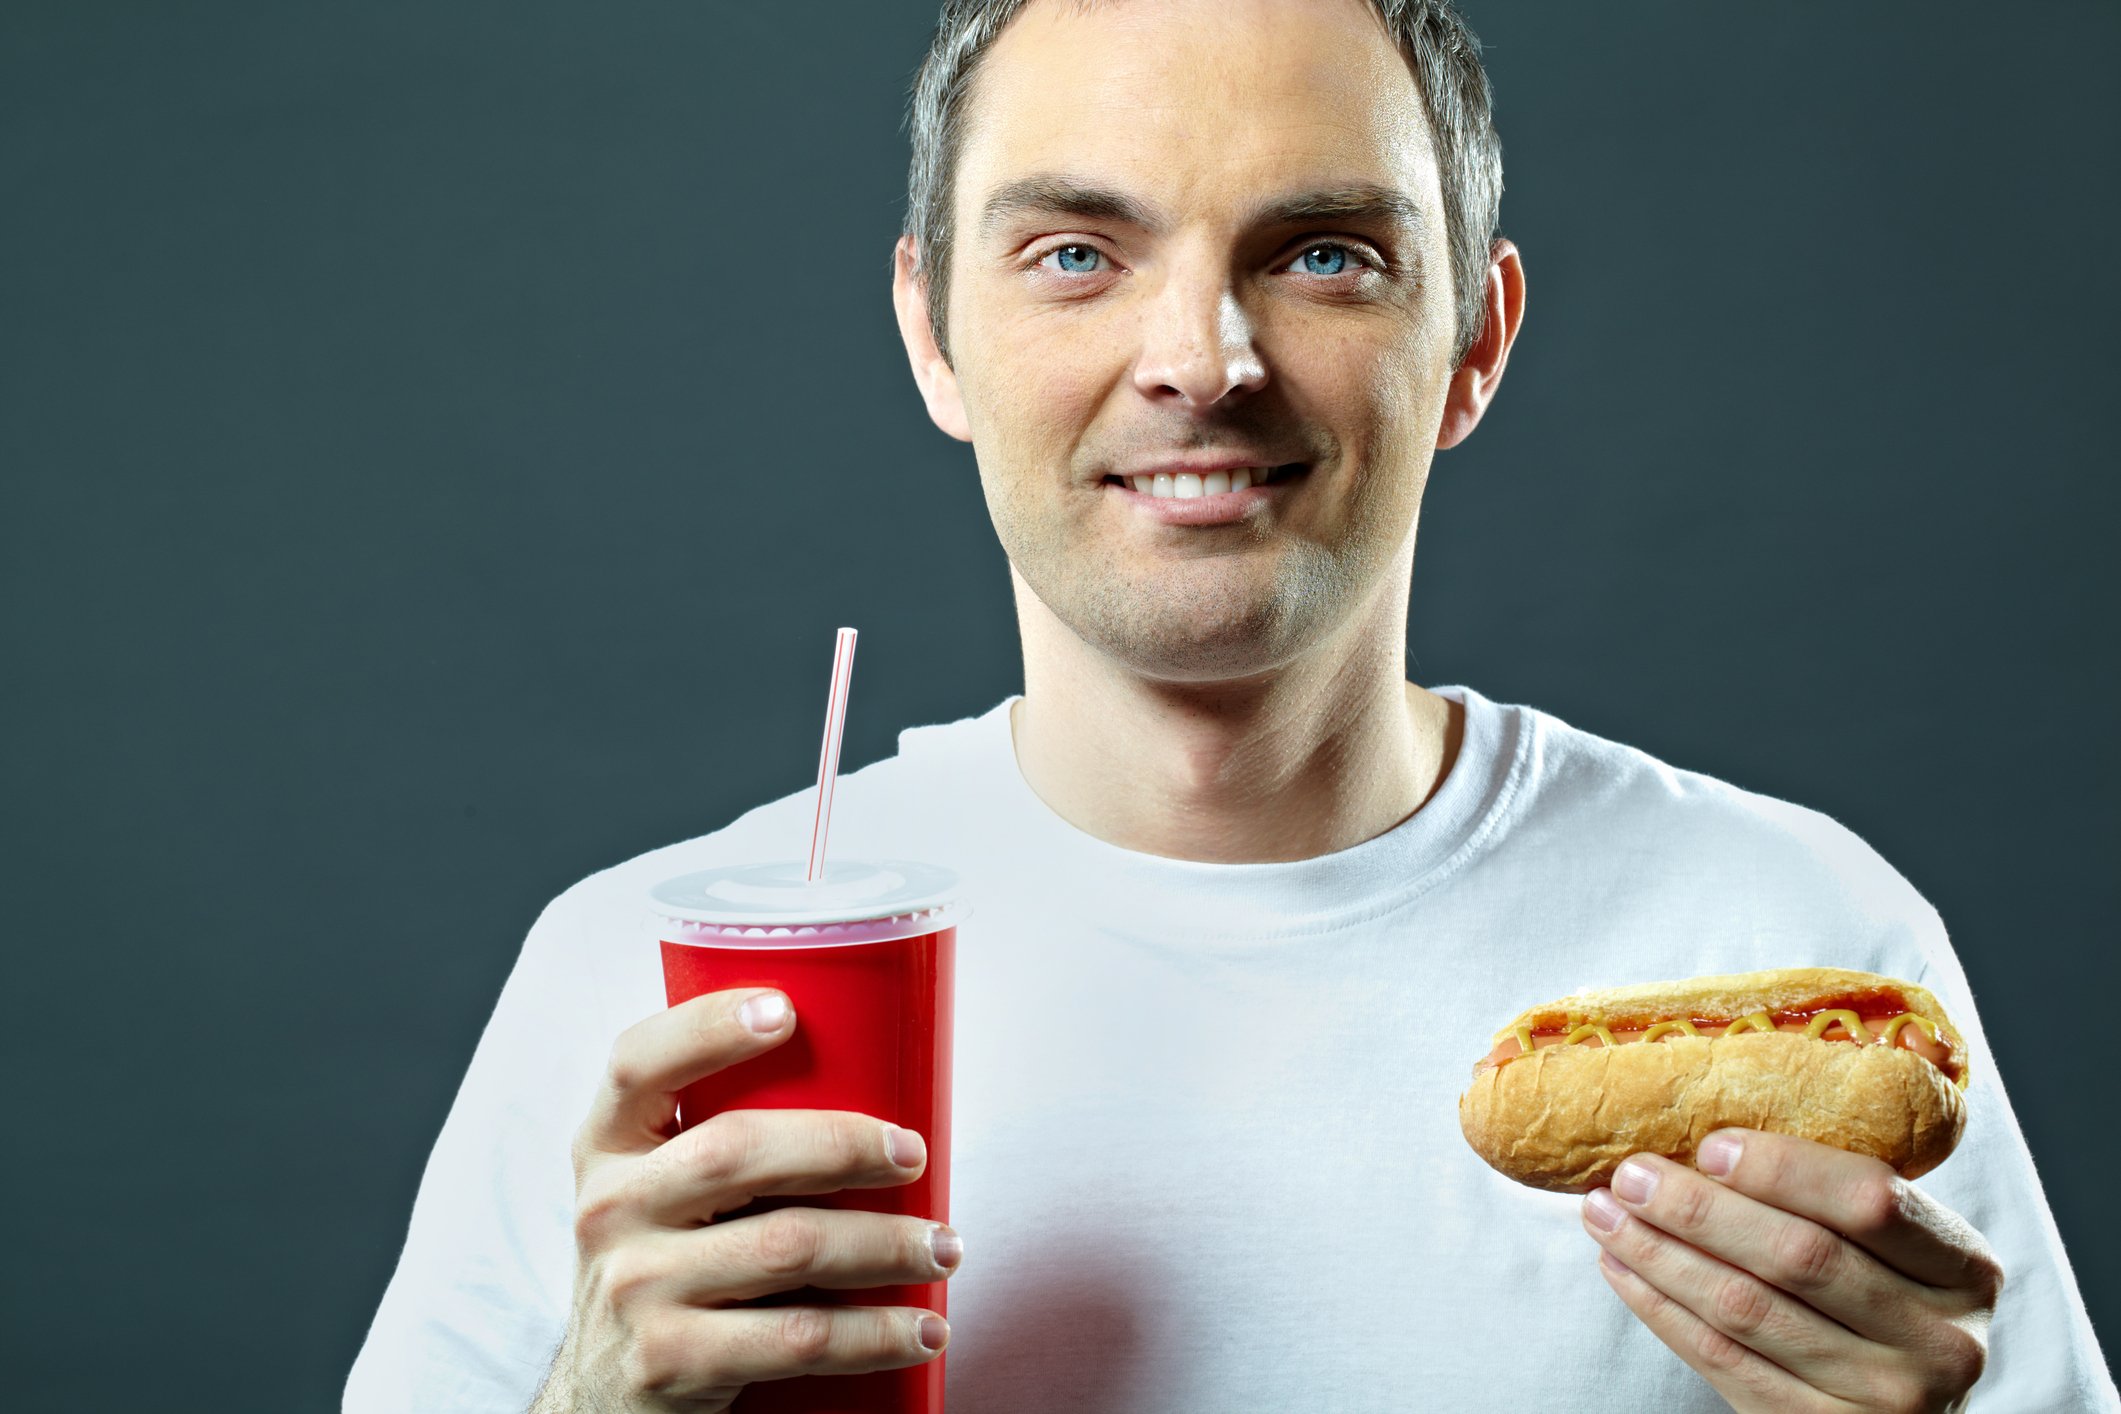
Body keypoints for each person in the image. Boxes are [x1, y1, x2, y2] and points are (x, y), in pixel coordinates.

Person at [346, 0, 2118, 1409]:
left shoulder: (1800, 932)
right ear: (930, 334)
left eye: (1324, 251)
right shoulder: (639, 989)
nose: (1200, 358)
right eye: (1072, 254)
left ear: (1475, 345)